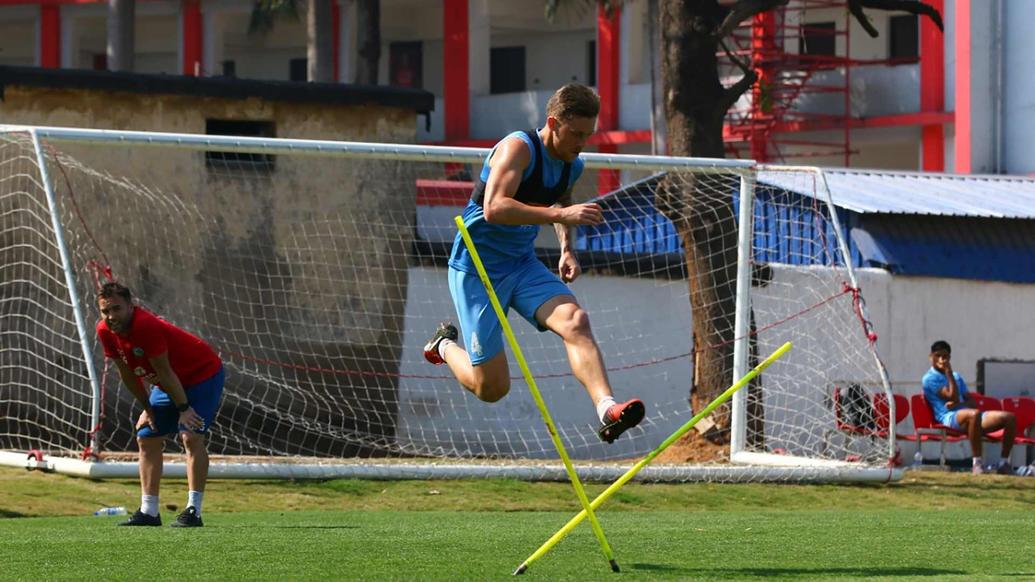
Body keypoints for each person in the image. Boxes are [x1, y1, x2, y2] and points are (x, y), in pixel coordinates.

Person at [423, 83, 644, 443]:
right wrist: (562, 213)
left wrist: (566, 249)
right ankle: (443, 346)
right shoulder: (517, 149)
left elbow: (562, 203)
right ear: (553, 122)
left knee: (576, 321)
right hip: (478, 269)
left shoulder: (571, 165)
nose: (581, 143)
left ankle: (607, 409)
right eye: (575, 133)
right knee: (492, 388)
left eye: (588, 135)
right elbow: (494, 208)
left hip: (521, 264)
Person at [95, 281, 224, 526]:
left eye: (116, 309)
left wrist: (184, 409)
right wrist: (147, 408)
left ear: (130, 306)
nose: (111, 316)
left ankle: (193, 511)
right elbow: (127, 374)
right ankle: (149, 511)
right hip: (168, 383)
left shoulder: (145, 326)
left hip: (201, 376)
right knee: (146, 436)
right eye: (105, 311)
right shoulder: (104, 330)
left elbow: (164, 371)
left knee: (191, 435)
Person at [922, 340, 1016, 474]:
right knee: (974, 414)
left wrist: (959, 404)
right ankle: (977, 463)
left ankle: (1003, 463)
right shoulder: (929, 378)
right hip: (947, 418)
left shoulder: (957, 377)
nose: (942, 359)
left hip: (971, 414)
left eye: (945, 356)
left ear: (950, 357)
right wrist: (948, 373)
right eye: (938, 356)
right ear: (931, 356)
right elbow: (952, 396)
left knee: (1009, 417)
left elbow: (972, 402)